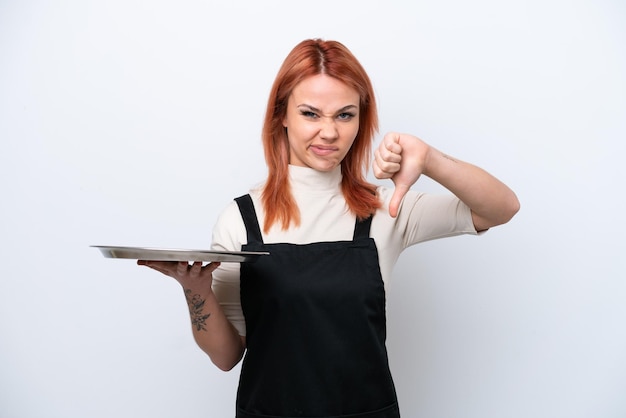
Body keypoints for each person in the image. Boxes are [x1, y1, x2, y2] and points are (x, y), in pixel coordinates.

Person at [138, 38, 520, 418]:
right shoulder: (242, 218)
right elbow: (226, 356)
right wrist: (196, 290)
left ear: (360, 120)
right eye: (310, 114)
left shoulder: (386, 208)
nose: (329, 132)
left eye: (344, 115)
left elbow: (501, 208)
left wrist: (430, 158)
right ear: (281, 115)